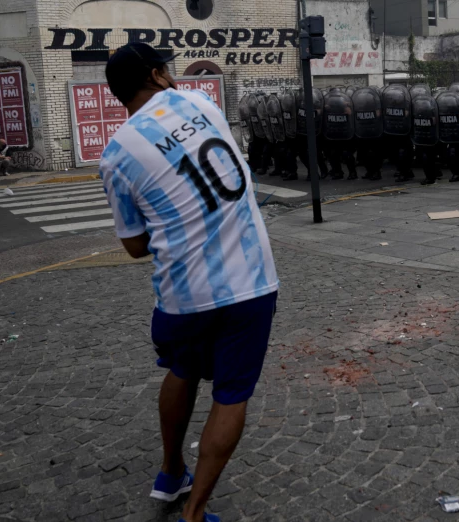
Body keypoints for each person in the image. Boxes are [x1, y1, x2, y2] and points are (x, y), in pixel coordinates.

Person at [100, 42, 279, 522]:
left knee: (181, 370)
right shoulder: (200, 102)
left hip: (182, 296)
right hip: (249, 282)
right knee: (231, 394)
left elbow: (135, 246)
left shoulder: (115, 155)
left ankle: (170, 472)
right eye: (168, 70)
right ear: (158, 76)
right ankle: (195, 513)